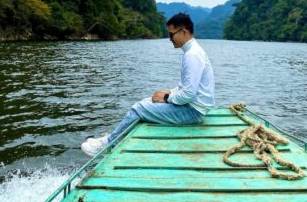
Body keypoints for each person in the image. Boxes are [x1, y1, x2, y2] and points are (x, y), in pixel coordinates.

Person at [81, 12, 215, 157]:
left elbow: (188, 94)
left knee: (138, 108)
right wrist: (168, 93)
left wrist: (166, 98)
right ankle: (115, 136)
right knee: (147, 101)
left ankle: (108, 144)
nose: (170, 39)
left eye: (171, 34)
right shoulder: (193, 51)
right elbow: (184, 87)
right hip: (194, 108)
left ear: (183, 32)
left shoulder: (192, 55)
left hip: (192, 112)